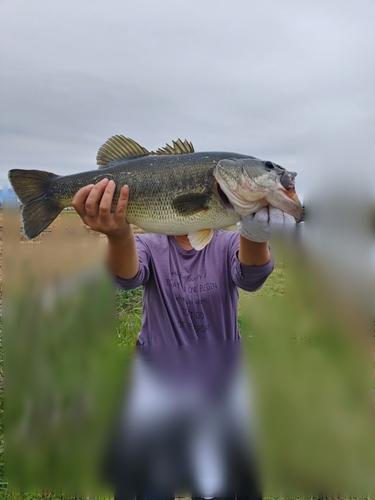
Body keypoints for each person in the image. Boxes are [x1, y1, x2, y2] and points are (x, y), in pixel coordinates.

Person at [72, 178, 292, 500]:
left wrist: (255, 232)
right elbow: (128, 276)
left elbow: (252, 275)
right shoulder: (148, 245)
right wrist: (119, 237)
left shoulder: (227, 243)